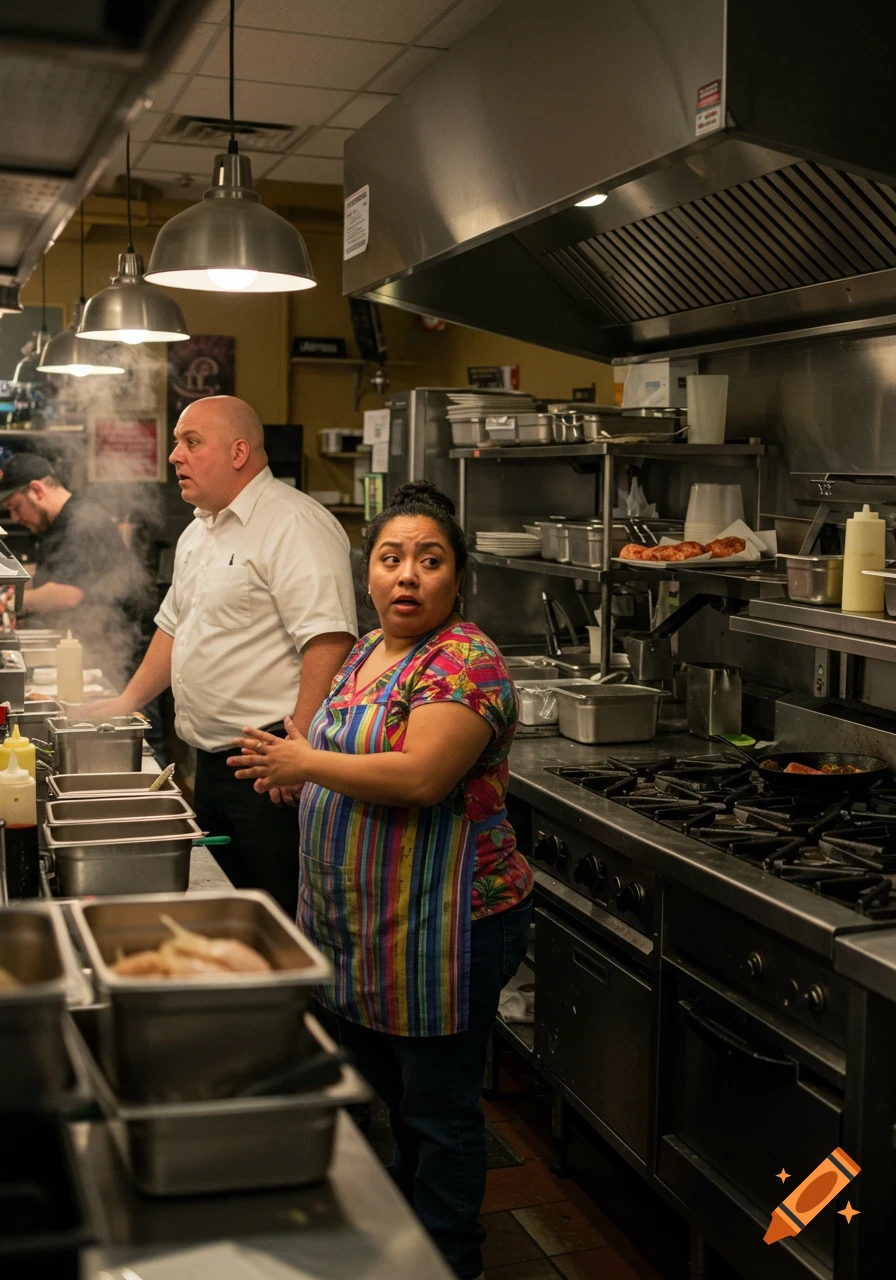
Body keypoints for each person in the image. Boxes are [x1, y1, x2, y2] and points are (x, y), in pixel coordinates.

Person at [228, 480, 533, 1280]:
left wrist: (306, 759)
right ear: (368, 573)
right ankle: (399, 1243)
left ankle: (449, 1261)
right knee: (395, 1101)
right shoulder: (369, 650)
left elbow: (421, 777)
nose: (408, 576)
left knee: (439, 1113)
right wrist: (296, 772)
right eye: (392, 559)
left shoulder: (466, 662)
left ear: (457, 577)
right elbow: (341, 751)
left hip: (444, 924)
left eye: (429, 561)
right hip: (366, 919)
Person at [87, 395, 357, 916]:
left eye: (190, 442)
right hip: (211, 765)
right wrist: (126, 703)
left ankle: (287, 1001)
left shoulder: (294, 523)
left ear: (238, 452)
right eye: (175, 444)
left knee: (274, 915)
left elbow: (328, 641)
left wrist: (301, 751)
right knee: (223, 908)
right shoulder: (198, 532)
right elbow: (172, 628)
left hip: (269, 764)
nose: (174, 457)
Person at [0, 451, 151, 691]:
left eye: (15, 506)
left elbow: (66, 594)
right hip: (90, 642)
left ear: (37, 490)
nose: (15, 517)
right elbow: (51, 576)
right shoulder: (58, 523)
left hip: (115, 650)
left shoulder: (82, 521)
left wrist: (7, 600)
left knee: (128, 719)